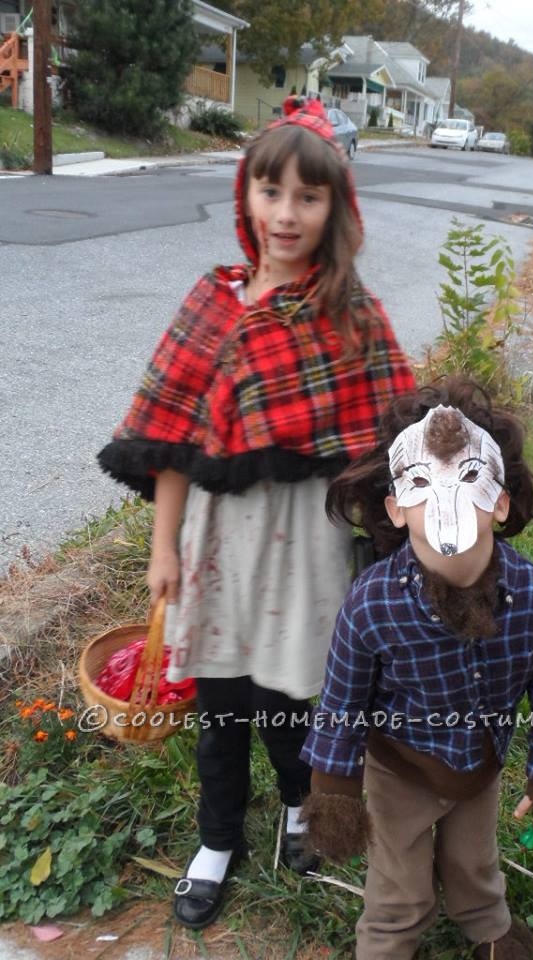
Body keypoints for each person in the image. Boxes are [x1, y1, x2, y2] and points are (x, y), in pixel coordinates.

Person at [97, 96, 416, 931]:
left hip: (305, 544)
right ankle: (214, 841)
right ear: (246, 196)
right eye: (270, 192)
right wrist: (162, 547)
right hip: (216, 541)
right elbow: (166, 439)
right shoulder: (214, 303)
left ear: (334, 207)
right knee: (221, 699)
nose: (286, 213)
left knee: (290, 695)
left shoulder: (352, 313)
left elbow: (393, 436)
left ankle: (297, 809)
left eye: (307, 197)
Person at [299, 379, 533, 960]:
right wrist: (334, 792)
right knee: (398, 883)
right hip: (400, 765)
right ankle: (386, 941)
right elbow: (342, 703)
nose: (444, 502)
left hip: (481, 762)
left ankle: (487, 926)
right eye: (423, 484)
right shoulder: (371, 603)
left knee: (474, 862)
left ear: (499, 502)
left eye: (469, 479)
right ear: (396, 508)